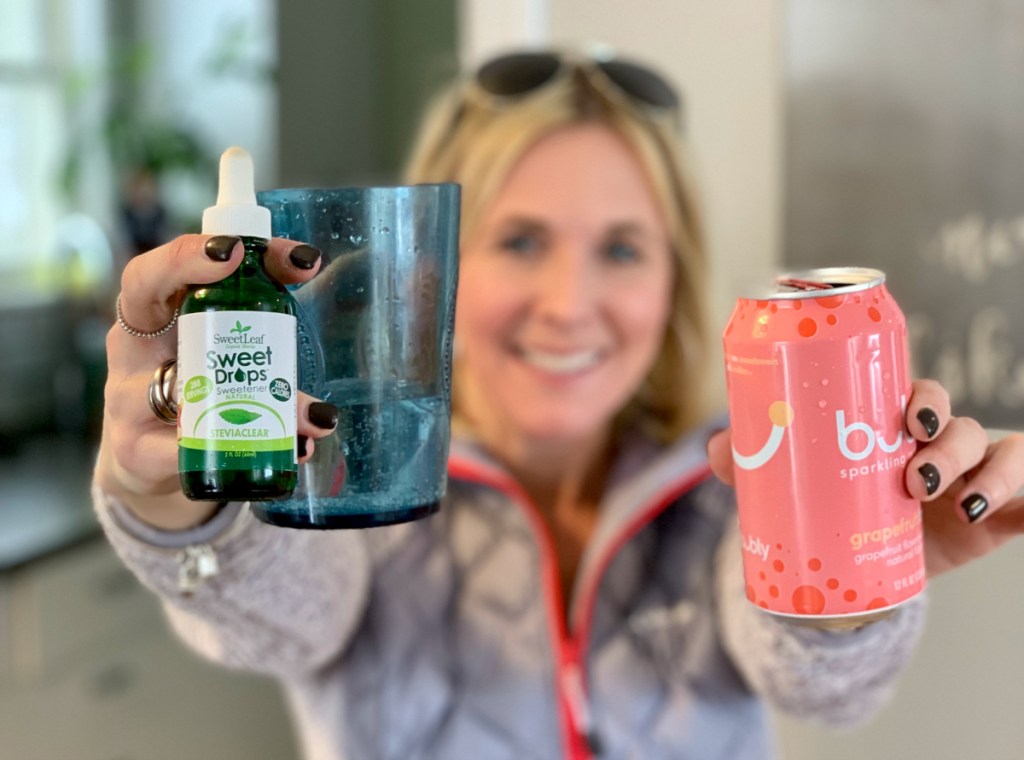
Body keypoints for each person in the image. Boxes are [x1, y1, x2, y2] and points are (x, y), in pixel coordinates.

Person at [93, 50, 1024, 760]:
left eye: (621, 249)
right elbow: (279, 619)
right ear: (430, 266)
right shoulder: (355, 473)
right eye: (523, 240)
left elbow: (826, 692)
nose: (570, 302)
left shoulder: (734, 479)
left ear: (673, 276)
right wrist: (175, 500)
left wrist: (855, 575)